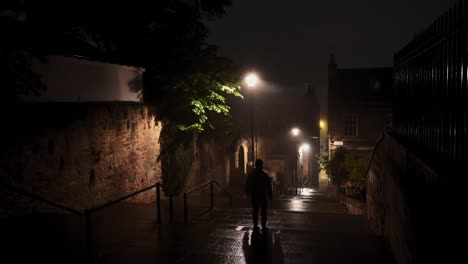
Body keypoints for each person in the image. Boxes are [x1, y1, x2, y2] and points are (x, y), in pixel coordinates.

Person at [245, 159, 273, 229]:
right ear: (261, 165)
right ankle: (263, 224)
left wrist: (247, 193)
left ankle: (255, 224)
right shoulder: (264, 175)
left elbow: (247, 184)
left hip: (254, 194)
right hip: (262, 194)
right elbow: (268, 185)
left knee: (255, 210)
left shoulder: (251, 174)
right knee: (263, 210)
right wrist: (270, 195)